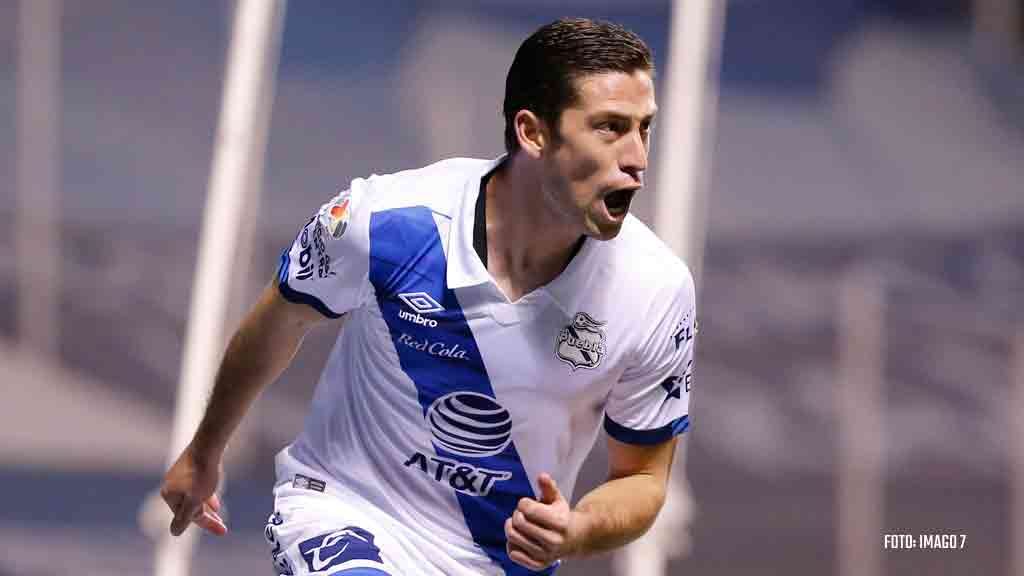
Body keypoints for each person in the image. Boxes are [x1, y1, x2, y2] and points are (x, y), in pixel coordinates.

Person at [160, 17, 697, 576]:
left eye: (645, 129)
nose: (638, 159)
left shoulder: (655, 289)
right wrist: (204, 452)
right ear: (533, 132)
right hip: (347, 510)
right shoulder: (384, 221)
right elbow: (281, 322)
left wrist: (580, 529)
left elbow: (642, 476)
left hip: (497, 561)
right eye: (610, 128)